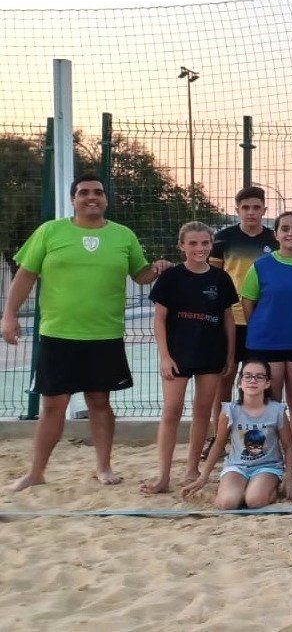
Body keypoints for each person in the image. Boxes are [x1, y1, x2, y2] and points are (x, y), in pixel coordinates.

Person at [2, 175, 172, 492]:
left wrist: (158, 268)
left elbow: (141, 274)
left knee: (100, 402)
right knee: (53, 405)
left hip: (105, 335)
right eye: (84, 192)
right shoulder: (50, 231)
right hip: (58, 334)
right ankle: (36, 472)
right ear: (73, 199)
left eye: (98, 192)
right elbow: (25, 275)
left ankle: (103, 467)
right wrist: (9, 316)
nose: (91, 197)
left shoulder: (123, 235)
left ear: (106, 199)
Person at [143, 222, 238, 494]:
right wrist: (164, 356)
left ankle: (192, 468)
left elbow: (228, 320)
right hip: (178, 353)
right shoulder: (172, 277)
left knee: (203, 411)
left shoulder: (220, 279)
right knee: (171, 412)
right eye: (193, 243)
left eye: (205, 243)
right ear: (182, 246)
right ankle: (163, 476)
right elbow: (159, 320)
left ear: (211, 245)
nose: (200, 248)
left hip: (211, 351)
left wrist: (230, 355)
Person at [241, 210, 292, 478]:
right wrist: (265, 328)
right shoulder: (261, 265)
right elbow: (248, 304)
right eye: (285, 228)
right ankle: (268, 461)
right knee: (270, 406)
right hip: (266, 344)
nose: (291, 233)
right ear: (276, 234)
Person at [209, 186, 275, 451]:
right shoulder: (223, 239)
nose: (251, 212)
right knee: (225, 378)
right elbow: (213, 278)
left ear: (264, 210)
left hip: (265, 321)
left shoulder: (275, 238)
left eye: (256, 207)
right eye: (245, 207)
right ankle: (219, 437)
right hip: (231, 320)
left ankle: (257, 435)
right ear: (237, 210)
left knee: (259, 380)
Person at [181, 359, 292, 509]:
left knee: (255, 501)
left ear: (267, 383)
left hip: (267, 466)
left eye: (259, 377)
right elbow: (218, 444)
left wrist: (290, 478)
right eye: (247, 376)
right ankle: (234, 489)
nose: (252, 381)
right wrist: (203, 477)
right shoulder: (230, 410)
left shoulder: (277, 410)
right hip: (237, 466)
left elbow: (289, 447)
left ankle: (268, 489)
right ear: (240, 382)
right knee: (227, 503)